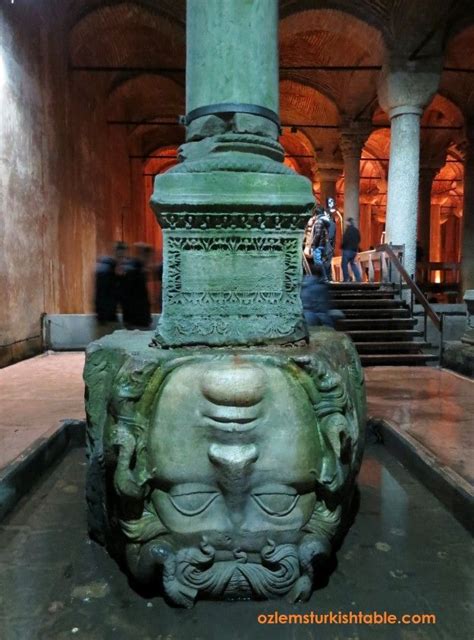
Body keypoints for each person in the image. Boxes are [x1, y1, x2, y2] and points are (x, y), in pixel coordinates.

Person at [94, 241, 127, 325]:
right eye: (121, 256)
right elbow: (106, 293)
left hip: (106, 314)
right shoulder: (108, 270)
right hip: (107, 315)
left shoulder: (107, 268)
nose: (122, 259)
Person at [121, 243, 152, 329]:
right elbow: (132, 296)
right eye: (147, 256)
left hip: (136, 319)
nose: (149, 259)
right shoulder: (135, 271)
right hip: (137, 319)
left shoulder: (136, 270)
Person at [301, 261, 334, 327]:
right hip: (315, 316)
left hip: (304, 316)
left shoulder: (303, 285)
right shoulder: (321, 287)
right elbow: (323, 307)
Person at [311, 205, 332, 282]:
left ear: (316, 213)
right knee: (321, 261)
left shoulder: (319, 221)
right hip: (323, 244)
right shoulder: (325, 221)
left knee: (317, 261)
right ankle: (322, 277)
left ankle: (323, 277)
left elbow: (317, 234)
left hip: (318, 245)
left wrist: (313, 244)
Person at [341, 218, 362, 282]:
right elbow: (359, 239)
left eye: (347, 222)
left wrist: (342, 246)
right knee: (353, 264)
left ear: (349, 223)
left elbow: (345, 240)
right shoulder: (356, 230)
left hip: (347, 249)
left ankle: (346, 278)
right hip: (354, 250)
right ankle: (358, 278)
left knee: (344, 264)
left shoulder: (347, 230)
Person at [324, 197, 337, 281]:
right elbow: (332, 236)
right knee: (327, 262)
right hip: (328, 244)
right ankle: (327, 277)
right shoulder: (331, 223)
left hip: (326, 244)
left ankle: (326, 277)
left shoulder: (328, 223)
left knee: (325, 262)